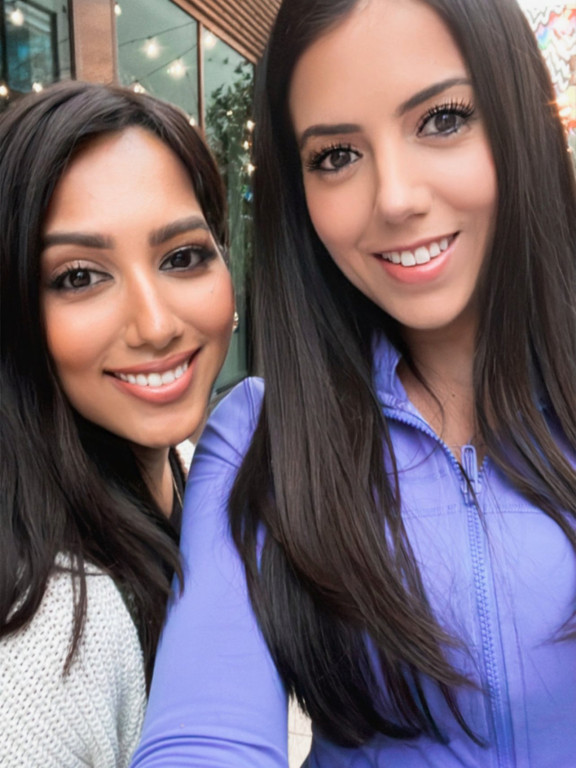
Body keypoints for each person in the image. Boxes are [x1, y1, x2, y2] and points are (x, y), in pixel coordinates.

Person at [132, 0, 576, 765]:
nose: (395, 198)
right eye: (336, 156)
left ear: (519, 121)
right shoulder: (261, 443)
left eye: (442, 119)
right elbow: (203, 732)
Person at [0, 81, 234, 767]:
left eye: (182, 257)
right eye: (79, 277)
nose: (156, 325)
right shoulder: (51, 634)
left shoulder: (186, 476)